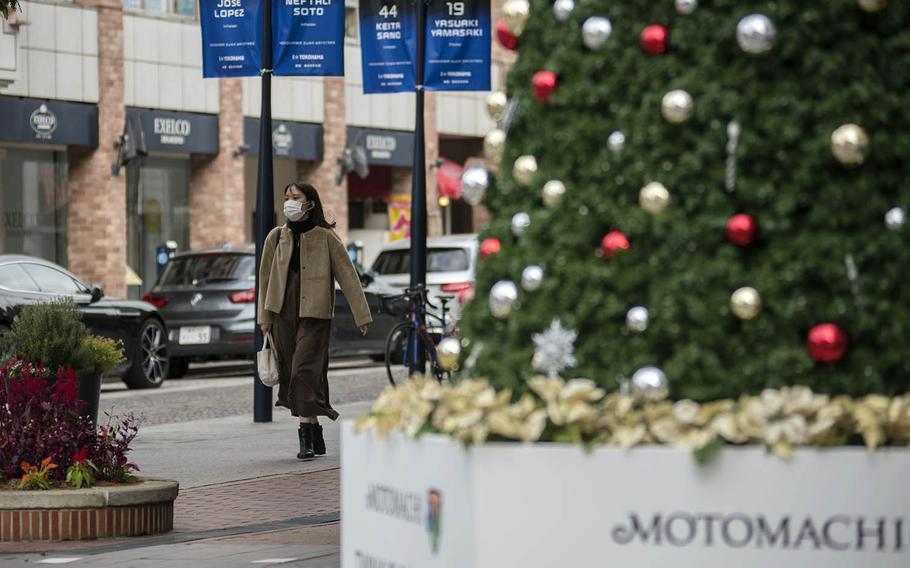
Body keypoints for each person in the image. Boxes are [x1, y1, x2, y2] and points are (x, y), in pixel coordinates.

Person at [258, 182, 372, 459]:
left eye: (295, 197)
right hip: (282, 312)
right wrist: (265, 317)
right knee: (292, 373)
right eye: (287, 197)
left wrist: (361, 315)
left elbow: (348, 276)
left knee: (303, 371)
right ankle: (314, 427)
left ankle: (305, 438)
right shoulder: (275, 237)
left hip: (316, 313)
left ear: (310, 202)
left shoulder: (326, 237)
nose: (290, 202)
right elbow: (264, 279)